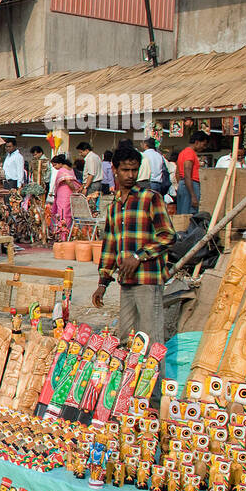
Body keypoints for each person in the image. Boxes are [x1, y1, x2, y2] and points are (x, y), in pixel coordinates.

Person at [93, 145, 176, 349]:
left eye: (134, 170)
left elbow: (168, 236)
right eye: (125, 170)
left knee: (150, 340)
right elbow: (110, 247)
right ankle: (128, 381)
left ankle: (156, 382)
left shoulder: (150, 198)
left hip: (148, 278)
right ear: (115, 170)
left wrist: (138, 257)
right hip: (126, 280)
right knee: (125, 340)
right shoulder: (114, 207)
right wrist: (103, 282)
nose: (130, 175)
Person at [47, 153, 82, 242]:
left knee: (62, 214)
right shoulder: (70, 169)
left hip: (64, 195)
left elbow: (68, 182)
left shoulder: (62, 170)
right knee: (67, 214)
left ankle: (62, 235)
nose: (55, 167)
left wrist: (73, 189)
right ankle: (66, 234)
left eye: (55, 165)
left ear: (60, 163)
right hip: (68, 194)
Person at [176, 131, 207, 215]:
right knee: (189, 215)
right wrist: (192, 195)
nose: (204, 147)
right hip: (190, 185)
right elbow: (187, 172)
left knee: (183, 214)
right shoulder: (189, 153)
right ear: (197, 142)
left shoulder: (183, 153)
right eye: (203, 144)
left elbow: (178, 173)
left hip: (185, 185)